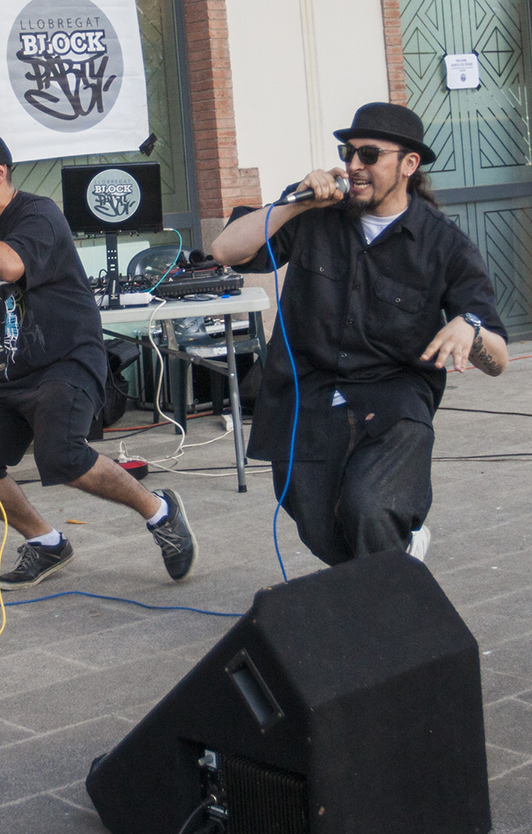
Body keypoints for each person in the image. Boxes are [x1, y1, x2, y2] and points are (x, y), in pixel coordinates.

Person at [0, 130, 198, 589]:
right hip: (6, 369)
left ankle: (160, 511)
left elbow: (10, 265)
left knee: (62, 455)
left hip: (65, 360)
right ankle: (46, 542)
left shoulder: (38, 214)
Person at [209, 102, 508, 566]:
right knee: (319, 529)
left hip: (393, 399)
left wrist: (469, 327)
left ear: (408, 164)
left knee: (370, 508)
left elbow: (499, 357)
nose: (353, 166)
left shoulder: (445, 245)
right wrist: (296, 203)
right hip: (306, 395)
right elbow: (225, 250)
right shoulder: (313, 214)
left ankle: (389, 588)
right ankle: (394, 555)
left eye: (369, 155)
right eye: (347, 153)